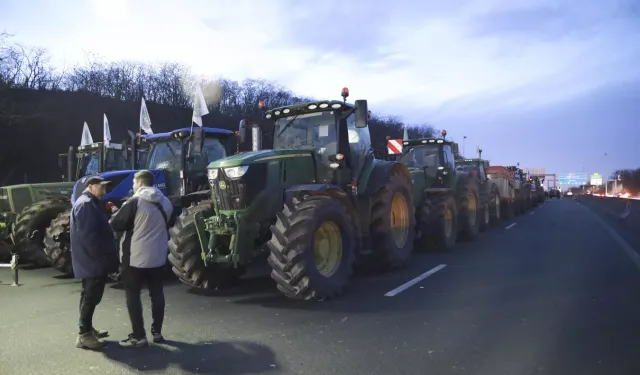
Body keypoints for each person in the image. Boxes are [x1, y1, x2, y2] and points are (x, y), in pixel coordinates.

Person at [110, 170, 173, 348]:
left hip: (135, 258)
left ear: (139, 183)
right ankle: (157, 332)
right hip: (158, 256)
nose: (133, 186)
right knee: (157, 293)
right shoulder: (165, 202)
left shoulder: (135, 202)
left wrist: (115, 213)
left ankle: (139, 335)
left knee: (133, 295)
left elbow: (117, 224)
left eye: (133, 183)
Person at [71, 176, 118, 350]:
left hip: (92, 260)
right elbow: (88, 237)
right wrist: (101, 258)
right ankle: (84, 335)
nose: (104, 191)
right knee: (90, 297)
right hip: (92, 261)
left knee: (89, 296)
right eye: (102, 187)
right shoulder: (85, 205)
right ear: (91, 186)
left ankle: (88, 329)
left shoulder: (91, 203)